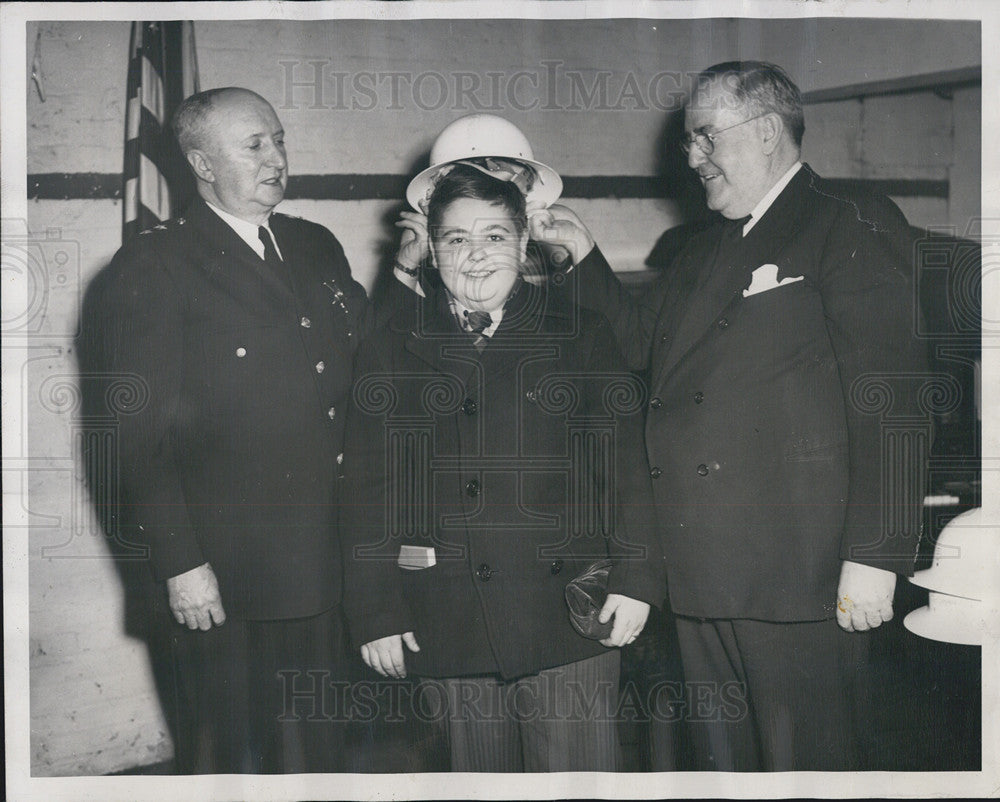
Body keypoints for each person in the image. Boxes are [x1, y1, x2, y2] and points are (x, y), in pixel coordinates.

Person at [531, 61, 927, 771]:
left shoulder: (848, 223)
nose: (692, 157)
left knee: (807, 768)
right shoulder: (703, 247)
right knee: (726, 769)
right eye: (689, 141)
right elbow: (637, 343)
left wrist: (877, 553)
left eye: (705, 137)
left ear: (769, 131)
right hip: (702, 570)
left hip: (802, 575)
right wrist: (582, 256)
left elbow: (893, 398)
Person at [79, 87, 382, 773]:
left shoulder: (312, 245)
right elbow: (134, 439)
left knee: (314, 752)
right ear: (201, 163)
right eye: (255, 145)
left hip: (320, 557)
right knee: (227, 758)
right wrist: (182, 566)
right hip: (224, 578)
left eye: (279, 139)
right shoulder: (153, 267)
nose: (276, 157)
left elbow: (366, 354)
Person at [340, 163, 665, 772]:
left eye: (494, 236)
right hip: (447, 616)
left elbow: (625, 468)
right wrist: (375, 610)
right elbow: (365, 488)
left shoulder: (580, 334)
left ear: (523, 243)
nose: (477, 255)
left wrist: (637, 580)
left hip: (567, 615)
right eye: (456, 239)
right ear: (432, 253)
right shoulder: (390, 344)